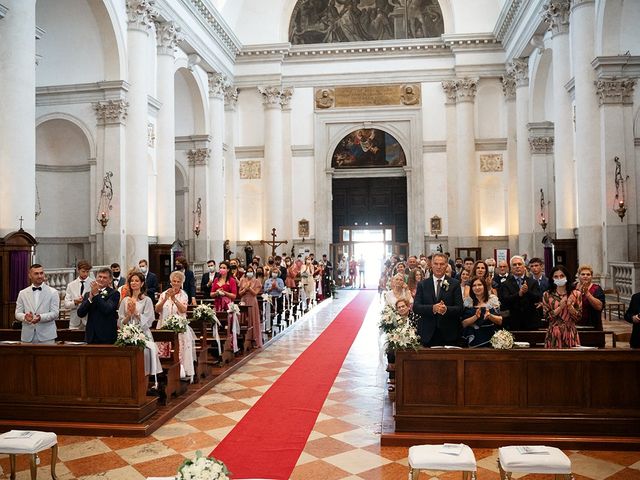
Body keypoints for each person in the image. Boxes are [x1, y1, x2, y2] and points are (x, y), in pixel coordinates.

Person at [118, 272, 162, 385]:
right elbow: (120, 322)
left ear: (142, 283)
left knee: (145, 361)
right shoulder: (125, 300)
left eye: (137, 281)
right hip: (128, 334)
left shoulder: (147, 300)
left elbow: (149, 321)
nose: (134, 283)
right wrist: (128, 315)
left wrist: (136, 312)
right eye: (132, 281)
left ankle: (144, 388)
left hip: (143, 334)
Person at [412, 252, 463, 346]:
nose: (438, 267)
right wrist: (433, 308)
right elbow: (416, 307)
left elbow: (460, 308)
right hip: (428, 333)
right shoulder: (423, 284)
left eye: (442, 264)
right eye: (436, 264)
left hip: (449, 333)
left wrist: (446, 309)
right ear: (431, 265)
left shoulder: (454, 284)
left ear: (446, 265)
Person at [155, 270, 195, 381]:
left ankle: (180, 371)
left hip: (179, 329)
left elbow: (183, 310)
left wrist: (174, 299)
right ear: (171, 282)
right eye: (174, 281)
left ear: (181, 282)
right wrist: (164, 300)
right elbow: (157, 309)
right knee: (164, 350)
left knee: (179, 351)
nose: (176, 283)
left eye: (178, 281)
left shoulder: (184, 295)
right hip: (164, 326)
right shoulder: (164, 294)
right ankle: (164, 373)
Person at [15, 263, 59, 344]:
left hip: (47, 336)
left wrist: (40, 317)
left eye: (41, 273)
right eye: (36, 273)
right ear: (30, 275)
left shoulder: (53, 292)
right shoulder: (23, 293)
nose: (39, 276)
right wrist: (25, 317)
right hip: (27, 336)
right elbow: (17, 313)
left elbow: (55, 313)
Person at [542, 265, 582, 348]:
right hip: (554, 332)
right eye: (556, 276)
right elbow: (547, 317)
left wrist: (570, 307)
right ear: (552, 279)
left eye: (562, 276)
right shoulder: (547, 295)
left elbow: (578, 317)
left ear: (566, 277)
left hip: (570, 332)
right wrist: (560, 308)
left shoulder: (576, 294)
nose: (559, 278)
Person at [498, 255, 542, 331]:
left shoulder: (532, 282)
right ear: (511, 268)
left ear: (524, 267)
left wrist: (527, 292)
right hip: (513, 322)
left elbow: (537, 298)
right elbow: (504, 301)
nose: (517, 266)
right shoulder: (505, 284)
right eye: (514, 265)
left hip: (531, 322)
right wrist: (519, 294)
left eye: (519, 264)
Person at [78, 267, 120, 344]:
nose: (101, 279)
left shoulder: (114, 293)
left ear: (110, 280)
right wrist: (90, 299)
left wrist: (97, 294)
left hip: (106, 336)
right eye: (99, 277)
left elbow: (107, 309)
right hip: (91, 336)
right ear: (96, 278)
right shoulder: (88, 294)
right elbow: (80, 313)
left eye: (104, 277)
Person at [461, 277, 502, 348]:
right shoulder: (468, 301)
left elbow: (500, 321)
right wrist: (475, 317)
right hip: (473, 338)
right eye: (474, 285)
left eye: (480, 285)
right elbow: (463, 324)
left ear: (484, 286)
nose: (477, 287)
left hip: (490, 338)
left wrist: (490, 316)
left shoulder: (492, 300)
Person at [63, 259, 94, 330]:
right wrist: (75, 302)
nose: (85, 274)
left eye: (87, 272)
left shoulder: (93, 284)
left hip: (89, 321)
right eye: (83, 271)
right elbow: (66, 305)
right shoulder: (71, 285)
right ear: (78, 270)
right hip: (74, 322)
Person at [238, 266, 263, 349]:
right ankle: (243, 338)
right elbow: (240, 293)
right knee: (243, 318)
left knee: (253, 318)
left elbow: (255, 293)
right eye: (248, 271)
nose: (249, 272)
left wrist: (249, 288)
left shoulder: (257, 281)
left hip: (252, 300)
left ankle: (254, 338)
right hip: (243, 300)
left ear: (253, 272)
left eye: (251, 271)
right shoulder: (242, 280)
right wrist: (245, 289)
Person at [576, 264, 605, 331]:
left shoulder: (597, 289)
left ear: (591, 276)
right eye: (583, 274)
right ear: (578, 276)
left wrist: (587, 293)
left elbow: (599, 307)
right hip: (575, 325)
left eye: (588, 274)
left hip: (592, 325)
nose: (585, 276)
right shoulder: (573, 287)